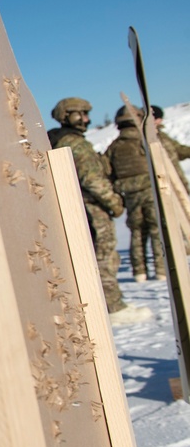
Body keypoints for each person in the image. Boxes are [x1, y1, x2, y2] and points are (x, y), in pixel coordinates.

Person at [47, 97, 152, 326]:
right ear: (68, 115)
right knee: (105, 256)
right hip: (92, 208)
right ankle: (112, 308)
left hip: (80, 206)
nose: (86, 119)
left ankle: (110, 302)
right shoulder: (74, 143)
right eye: (82, 114)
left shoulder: (60, 139)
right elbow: (92, 179)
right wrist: (114, 202)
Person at [105, 105, 162, 281]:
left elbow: (107, 171)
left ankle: (139, 271)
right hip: (151, 191)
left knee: (136, 232)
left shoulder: (114, 147)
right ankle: (161, 269)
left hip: (130, 195)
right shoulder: (146, 141)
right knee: (156, 229)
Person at [151, 104, 190, 194]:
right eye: (159, 118)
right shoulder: (146, 138)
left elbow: (179, 150)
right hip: (165, 186)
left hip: (177, 183)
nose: (161, 121)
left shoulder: (161, 136)